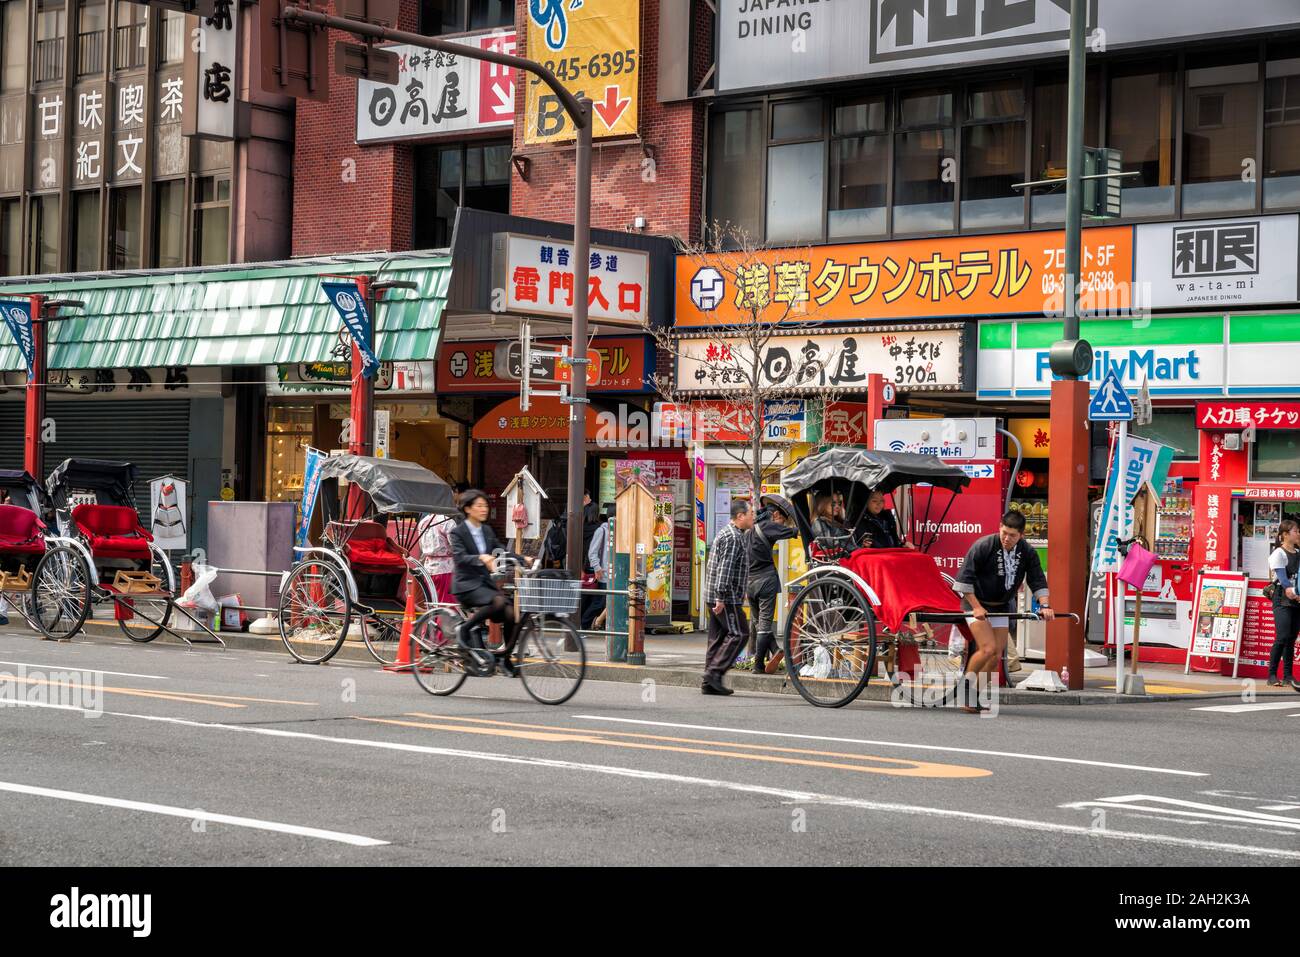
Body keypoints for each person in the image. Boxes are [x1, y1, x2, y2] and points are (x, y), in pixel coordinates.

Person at [953, 510, 1055, 713]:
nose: (1007, 538)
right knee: (988, 648)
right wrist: (976, 607)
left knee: (994, 658)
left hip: (1001, 605)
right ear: (1000, 527)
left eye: (1013, 535)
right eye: (1004, 532)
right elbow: (964, 581)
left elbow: (1036, 579)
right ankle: (966, 685)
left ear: (1021, 535)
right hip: (975, 602)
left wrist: (1044, 605)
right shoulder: (984, 545)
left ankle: (973, 696)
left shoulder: (1027, 551)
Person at [450, 489, 518, 675]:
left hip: (484, 585)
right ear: (468, 509)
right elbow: (460, 558)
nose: (484, 509)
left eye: (485, 505)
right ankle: (465, 628)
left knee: (511, 612)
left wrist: (522, 558)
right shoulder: (458, 532)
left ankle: (505, 658)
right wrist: (481, 558)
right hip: (466, 585)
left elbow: (500, 550)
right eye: (479, 506)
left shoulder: (487, 530)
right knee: (499, 601)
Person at [702, 498, 755, 695]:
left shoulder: (730, 533)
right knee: (740, 633)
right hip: (726, 596)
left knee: (717, 637)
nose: (753, 518)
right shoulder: (733, 537)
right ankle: (714, 673)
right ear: (740, 516)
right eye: (751, 514)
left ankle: (709, 682)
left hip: (716, 593)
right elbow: (725, 568)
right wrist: (721, 597)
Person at [746, 501, 799, 674]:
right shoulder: (769, 526)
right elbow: (794, 532)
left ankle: (775, 650)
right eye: (782, 519)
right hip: (765, 581)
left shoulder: (749, 529)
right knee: (764, 624)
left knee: (757, 621)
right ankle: (758, 665)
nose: (782, 524)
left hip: (749, 582)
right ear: (776, 515)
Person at [1267, 518, 1300, 688]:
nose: (1298, 534)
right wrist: (1294, 593)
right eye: (1296, 531)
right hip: (1282, 598)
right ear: (1285, 535)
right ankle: (1272, 674)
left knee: (1292, 638)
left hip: (1297, 598)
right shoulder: (1278, 554)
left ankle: (1288, 675)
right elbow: (1284, 581)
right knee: (1282, 636)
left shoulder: (1298, 553)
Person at [415, 508, 456, 606]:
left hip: (428, 568)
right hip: (446, 568)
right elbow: (456, 545)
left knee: (434, 603)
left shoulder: (423, 522)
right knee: (446, 604)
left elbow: (421, 545)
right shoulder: (447, 522)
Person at [584, 504, 615, 631]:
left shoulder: (620, 531)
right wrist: (597, 567)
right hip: (604, 574)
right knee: (599, 602)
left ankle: (597, 623)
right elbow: (592, 552)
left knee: (608, 601)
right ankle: (585, 625)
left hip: (615, 574)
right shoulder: (602, 531)